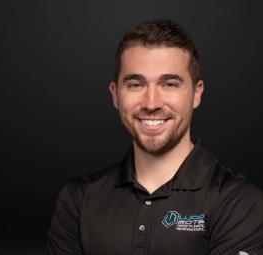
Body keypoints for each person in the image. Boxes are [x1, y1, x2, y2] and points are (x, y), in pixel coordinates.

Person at [47, 19, 263, 255]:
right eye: (136, 84)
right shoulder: (78, 200)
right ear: (115, 95)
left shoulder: (239, 203)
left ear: (196, 94)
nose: (151, 103)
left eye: (169, 84)